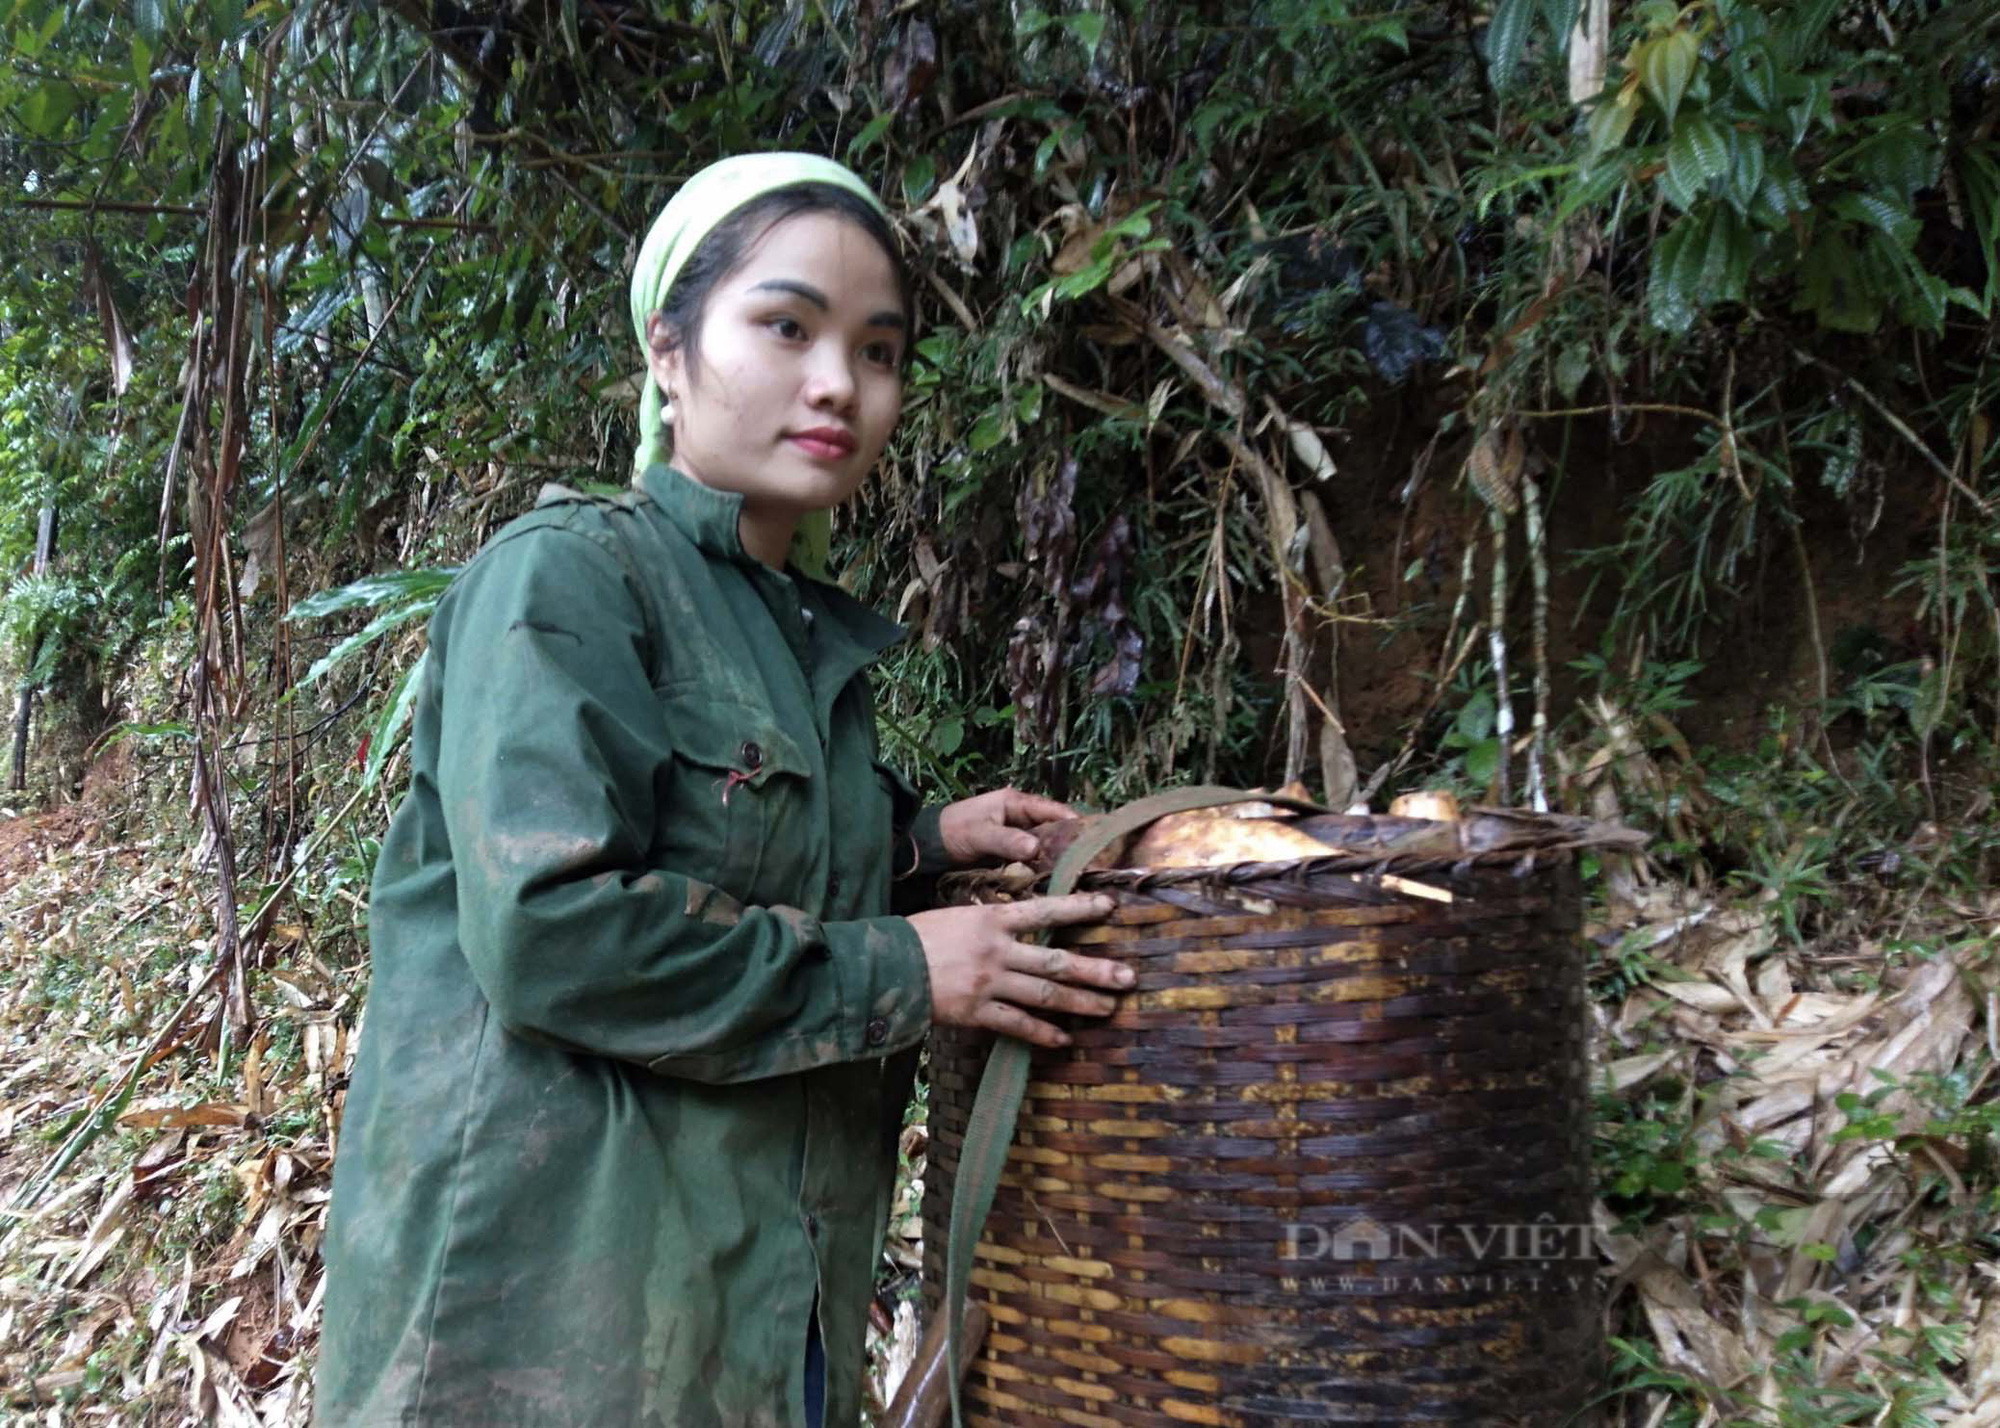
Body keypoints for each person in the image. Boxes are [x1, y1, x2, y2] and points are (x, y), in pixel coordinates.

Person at [314, 151, 1134, 1427]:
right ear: (668, 348)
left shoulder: (795, 629)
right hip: (552, 1316)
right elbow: (550, 927)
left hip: (768, 1285)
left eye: (877, 351)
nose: (837, 385)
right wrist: (904, 968)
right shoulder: (568, 582)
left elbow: (741, 850)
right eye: (786, 325)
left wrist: (918, 841)